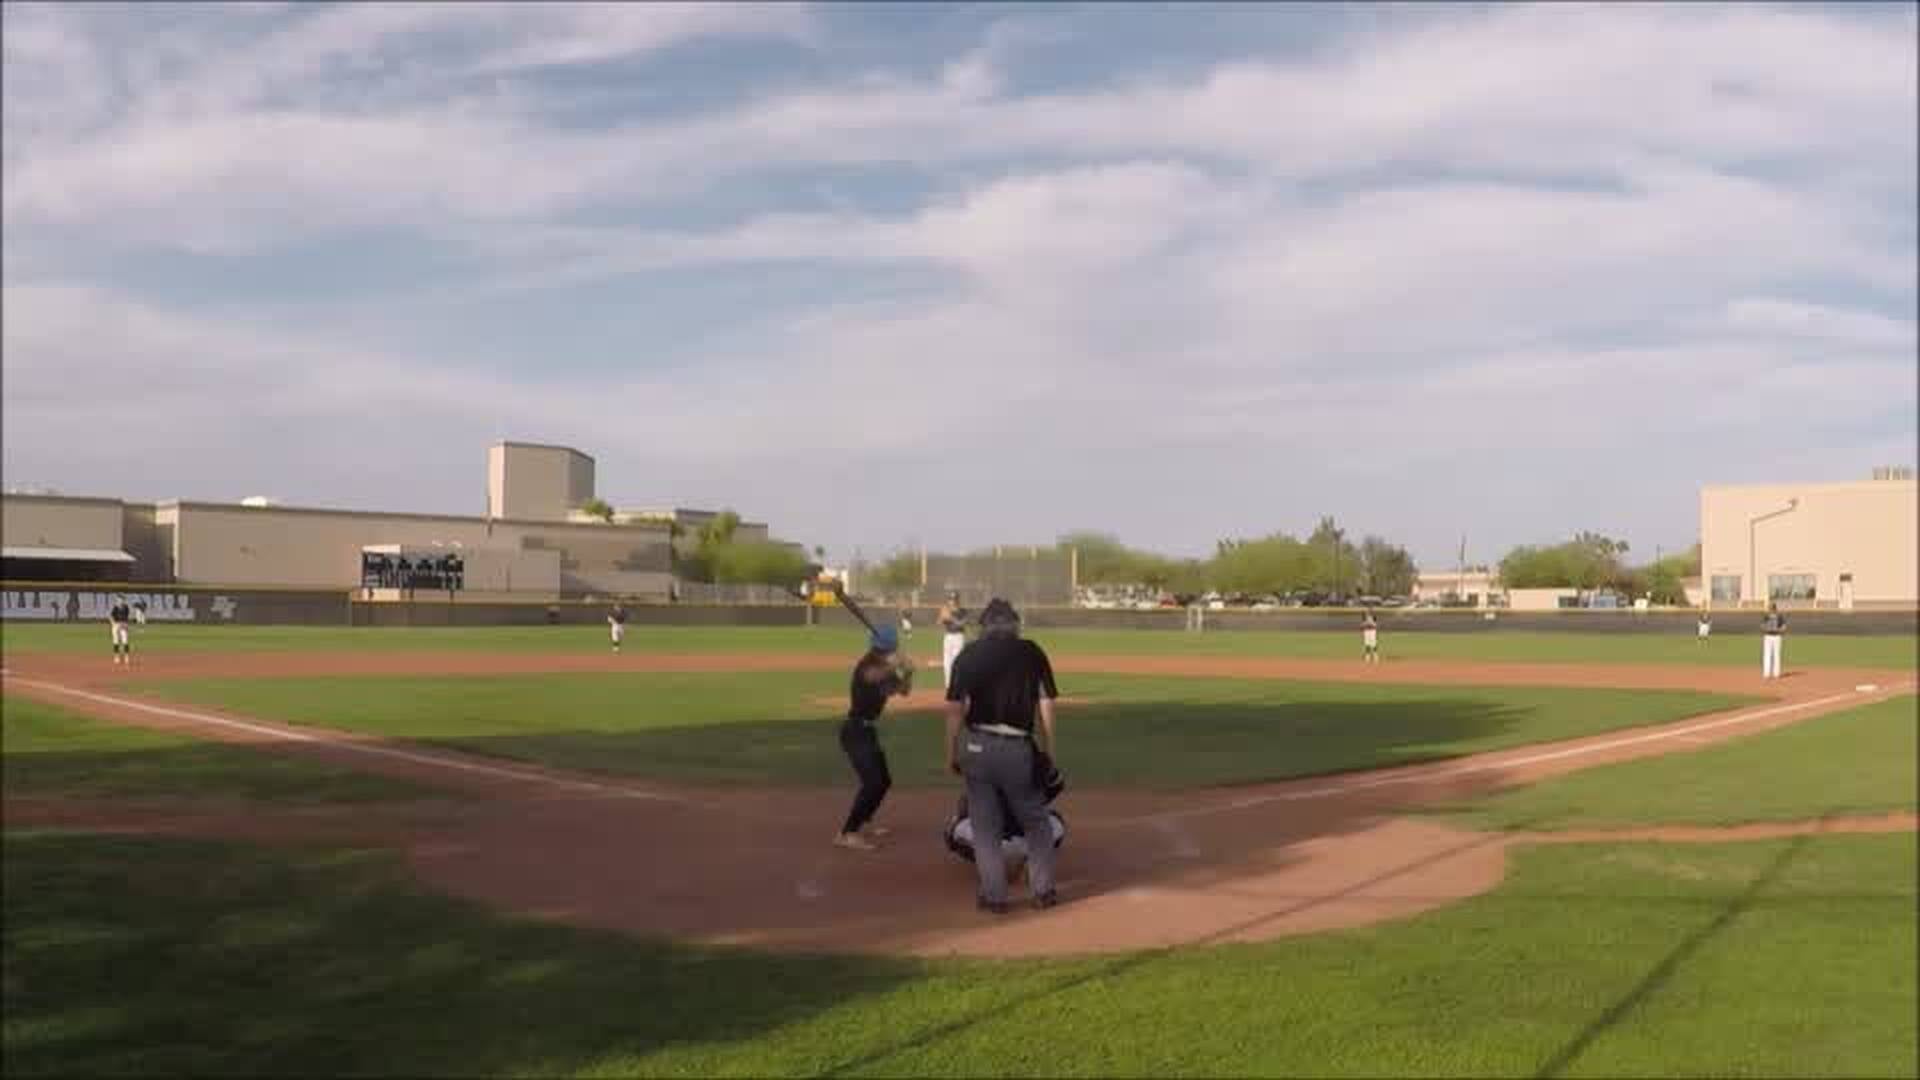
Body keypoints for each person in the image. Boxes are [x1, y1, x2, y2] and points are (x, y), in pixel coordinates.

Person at [943, 597, 1061, 913]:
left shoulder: (969, 654)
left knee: (985, 826)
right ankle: (1043, 891)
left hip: (976, 745)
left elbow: (954, 708)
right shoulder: (1031, 652)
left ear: (984, 625)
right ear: (1014, 624)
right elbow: (1046, 702)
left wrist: (950, 751)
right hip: (1016, 747)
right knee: (1036, 821)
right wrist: (1049, 747)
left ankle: (994, 896)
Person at [835, 624, 913, 851]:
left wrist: (908, 673)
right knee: (872, 782)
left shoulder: (882, 667)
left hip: (867, 732)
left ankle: (864, 821)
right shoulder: (867, 665)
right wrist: (897, 664)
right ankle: (847, 833)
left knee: (883, 781)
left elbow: (902, 691)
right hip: (855, 731)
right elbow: (872, 676)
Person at [937, 591, 969, 688]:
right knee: (946, 662)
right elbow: (938, 622)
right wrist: (942, 616)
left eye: (954, 599)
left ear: (958, 600)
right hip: (948, 637)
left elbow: (962, 624)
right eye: (950, 599)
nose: (952, 601)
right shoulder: (946, 610)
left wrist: (951, 618)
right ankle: (948, 685)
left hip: (958, 637)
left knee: (956, 661)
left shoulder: (963, 611)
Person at [1761, 602, 1786, 678]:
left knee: (1772, 655)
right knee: (1772, 655)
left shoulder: (1768, 616)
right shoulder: (1778, 616)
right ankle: (1772, 673)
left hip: (1773, 636)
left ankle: (1771, 673)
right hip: (1772, 636)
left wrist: (1771, 629)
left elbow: (1784, 627)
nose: (1771, 609)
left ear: (1774, 608)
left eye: (1771, 608)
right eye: (1770, 608)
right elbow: (1784, 627)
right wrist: (1777, 629)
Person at [108, 594, 133, 665]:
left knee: (125, 641)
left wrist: (126, 624)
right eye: (118, 600)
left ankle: (126, 657)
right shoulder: (115, 607)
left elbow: (127, 617)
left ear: (124, 600)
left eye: (121, 600)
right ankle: (117, 657)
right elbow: (111, 617)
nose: (120, 601)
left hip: (123, 626)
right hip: (116, 625)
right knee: (116, 641)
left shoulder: (126, 607)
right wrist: (114, 623)